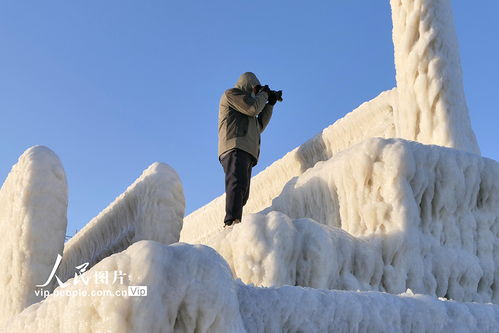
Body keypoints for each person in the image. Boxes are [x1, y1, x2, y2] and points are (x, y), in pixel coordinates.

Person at [218, 72, 278, 227]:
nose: (256, 92)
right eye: (255, 88)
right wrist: (264, 94)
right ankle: (231, 222)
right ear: (248, 85)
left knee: (243, 193)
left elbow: (259, 126)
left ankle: (236, 221)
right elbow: (253, 108)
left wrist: (269, 104)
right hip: (234, 146)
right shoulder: (232, 94)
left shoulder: (247, 109)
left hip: (246, 149)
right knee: (236, 184)